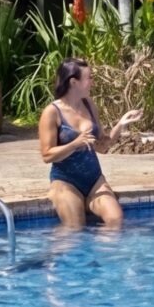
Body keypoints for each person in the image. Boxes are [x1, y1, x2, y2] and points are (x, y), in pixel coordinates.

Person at [38, 59, 135, 229]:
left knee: (116, 220)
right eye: (89, 78)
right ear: (74, 82)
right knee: (75, 228)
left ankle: (103, 256)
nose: (92, 82)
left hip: (94, 181)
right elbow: (47, 155)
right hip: (65, 182)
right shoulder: (52, 112)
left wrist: (121, 125)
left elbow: (102, 147)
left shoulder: (88, 104)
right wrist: (75, 144)